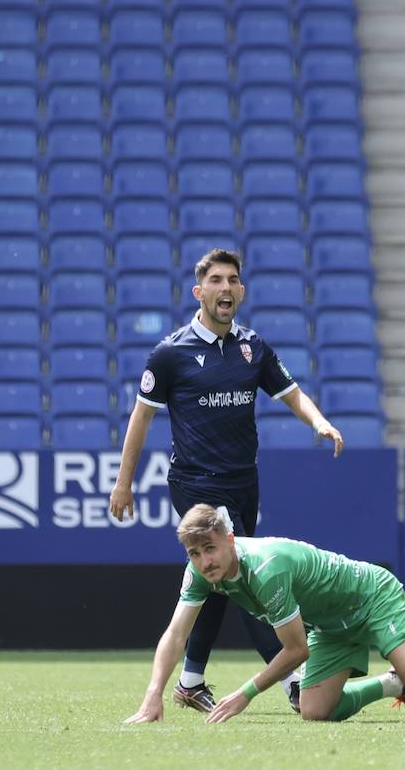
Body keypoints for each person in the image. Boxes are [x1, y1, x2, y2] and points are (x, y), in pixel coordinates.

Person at [109, 248, 344, 714]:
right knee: (244, 574)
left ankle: (191, 680)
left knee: (215, 576)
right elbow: (141, 417)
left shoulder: (252, 348)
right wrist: (124, 482)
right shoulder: (170, 353)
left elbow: (292, 394)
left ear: (241, 290)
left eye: (233, 280)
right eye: (216, 280)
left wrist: (318, 422)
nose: (226, 288)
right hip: (196, 484)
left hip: (243, 482)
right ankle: (294, 681)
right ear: (200, 292)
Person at [124, 504, 405, 725]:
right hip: (331, 622)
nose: (204, 560)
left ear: (229, 539)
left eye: (209, 548)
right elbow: (176, 634)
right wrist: (153, 695)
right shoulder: (200, 573)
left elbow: (294, 650)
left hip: (371, 597)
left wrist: (245, 693)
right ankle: (392, 684)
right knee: (314, 711)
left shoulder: (266, 569)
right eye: (194, 552)